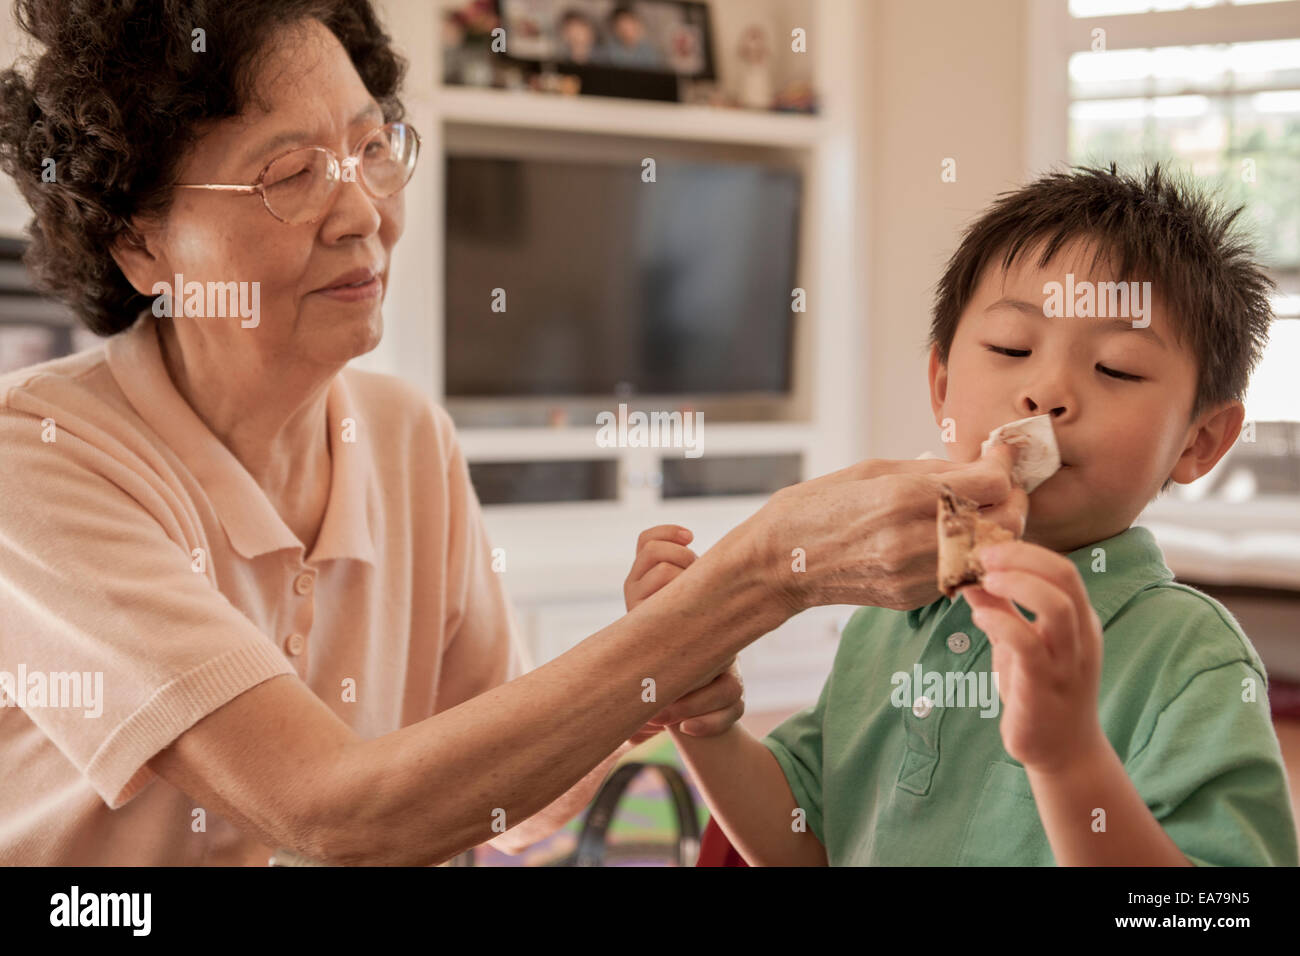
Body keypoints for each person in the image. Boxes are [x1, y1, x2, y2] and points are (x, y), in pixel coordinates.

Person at [0, 0, 1023, 865]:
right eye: (291, 175)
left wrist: (654, 659)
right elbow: (331, 809)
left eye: (370, 148)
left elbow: (508, 799)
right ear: (140, 241)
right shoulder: (40, 463)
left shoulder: (405, 439)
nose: (363, 211)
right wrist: (755, 579)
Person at [645, 165, 1300, 866]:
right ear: (942, 386)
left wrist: (1070, 762)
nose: (1045, 391)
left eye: (1116, 369)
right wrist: (703, 722)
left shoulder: (1192, 658)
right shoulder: (887, 613)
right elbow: (804, 842)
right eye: (1011, 350)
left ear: (1199, 442)